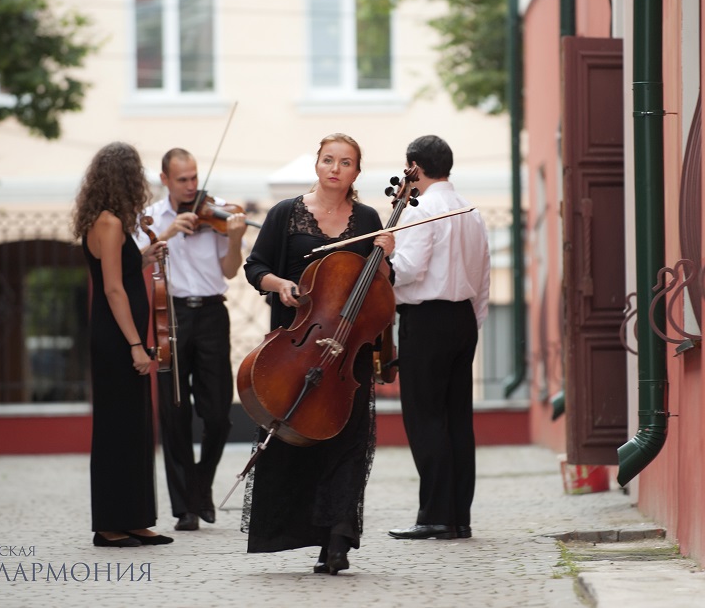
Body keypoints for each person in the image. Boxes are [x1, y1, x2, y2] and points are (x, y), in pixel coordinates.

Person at [241, 133, 395, 575]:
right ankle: (297, 531)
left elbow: (381, 289)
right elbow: (255, 267)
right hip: (296, 346)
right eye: (329, 160)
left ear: (356, 173)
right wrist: (281, 285)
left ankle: (337, 540)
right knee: (294, 439)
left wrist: (385, 257)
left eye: (345, 162)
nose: (335, 168)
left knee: (347, 441)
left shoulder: (368, 219)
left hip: (347, 350)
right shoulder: (285, 213)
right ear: (317, 164)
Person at [133, 147, 247, 532]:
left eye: (194, 177)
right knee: (174, 410)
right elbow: (134, 262)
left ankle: (201, 484)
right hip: (172, 315)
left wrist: (235, 239)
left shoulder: (216, 213)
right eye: (182, 179)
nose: (190, 185)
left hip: (213, 313)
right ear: (165, 179)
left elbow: (229, 270)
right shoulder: (150, 217)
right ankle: (185, 507)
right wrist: (166, 234)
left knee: (218, 414)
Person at [387, 135, 490, 541]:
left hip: (426, 320)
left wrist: (383, 260)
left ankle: (434, 516)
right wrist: (473, 322)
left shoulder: (422, 209)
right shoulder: (470, 210)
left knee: (425, 417)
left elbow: (408, 269)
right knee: (457, 419)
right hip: (462, 318)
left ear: (414, 166)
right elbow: (483, 275)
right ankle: (458, 517)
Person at [71, 141, 173, 548]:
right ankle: (110, 525)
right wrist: (135, 344)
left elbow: (121, 272)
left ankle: (135, 519)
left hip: (120, 335)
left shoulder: (106, 221)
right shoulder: (110, 223)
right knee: (117, 429)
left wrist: (144, 257)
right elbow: (113, 289)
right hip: (117, 340)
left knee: (134, 427)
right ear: (126, 179)